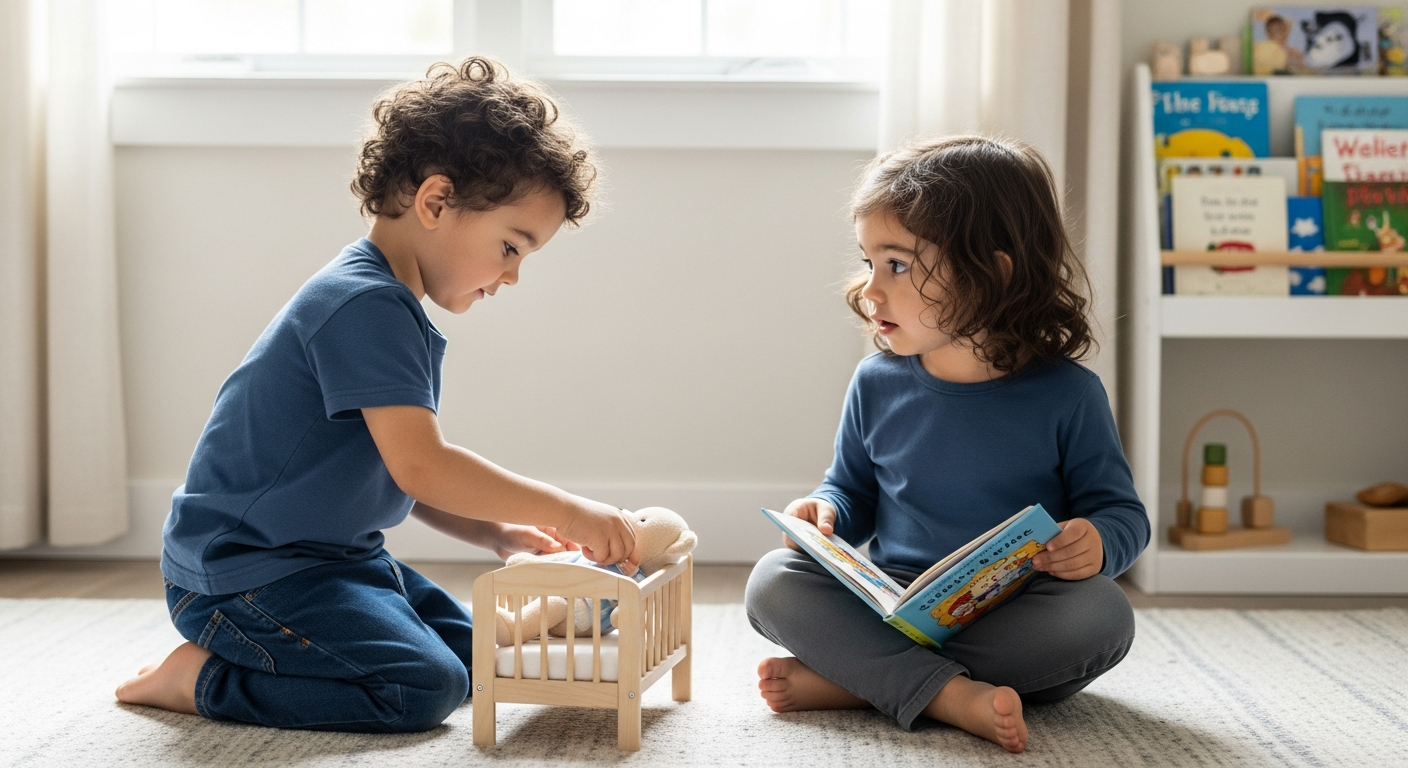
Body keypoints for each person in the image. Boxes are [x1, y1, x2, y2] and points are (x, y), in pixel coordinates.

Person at [115, 57, 638, 732]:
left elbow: (399, 471)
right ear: (435, 201)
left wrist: (498, 530)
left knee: (476, 661)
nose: (512, 276)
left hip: (334, 562)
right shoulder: (363, 305)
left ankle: (267, 657)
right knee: (422, 690)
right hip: (245, 577)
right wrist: (569, 510)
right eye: (510, 246)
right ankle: (204, 679)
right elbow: (424, 466)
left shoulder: (387, 305)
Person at [745, 136, 1149, 754]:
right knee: (773, 580)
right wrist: (824, 514)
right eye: (869, 262)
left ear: (993, 273)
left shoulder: (1069, 395)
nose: (870, 289)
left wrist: (1096, 545)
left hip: (1012, 608)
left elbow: (1122, 516)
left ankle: (863, 678)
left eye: (898, 265)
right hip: (893, 596)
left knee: (1101, 617)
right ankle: (947, 695)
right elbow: (849, 491)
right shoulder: (876, 383)